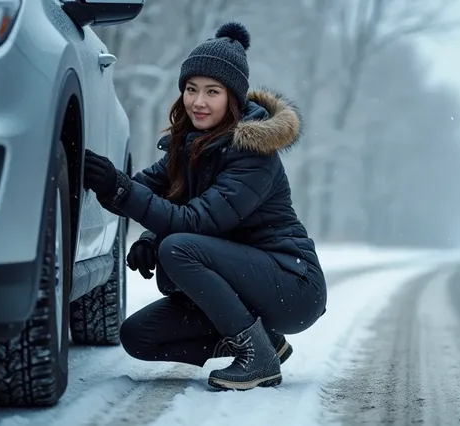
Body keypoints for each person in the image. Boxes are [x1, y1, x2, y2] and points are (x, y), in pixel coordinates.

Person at [81, 22, 327, 391]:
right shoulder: (192, 145)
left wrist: (121, 192)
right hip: (247, 282)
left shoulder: (252, 155)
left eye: (212, 92)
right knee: (138, 337)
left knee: (178, 246)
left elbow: (194, 222)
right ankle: (266, 341)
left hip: (293, 285)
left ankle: (256, 357)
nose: (198, 101)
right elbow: (146, 190)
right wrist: (115, 192)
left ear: (234, 99)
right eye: (191, 89)